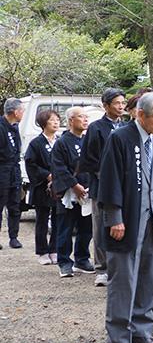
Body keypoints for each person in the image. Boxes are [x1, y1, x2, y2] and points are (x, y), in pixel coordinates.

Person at [100, 92, 153, 343]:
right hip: (127, 219)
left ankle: (142, 330)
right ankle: (118, 339)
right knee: (123, 280)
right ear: (140, 114)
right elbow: (110, 179)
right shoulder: (120, 138)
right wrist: (114, 216)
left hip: (152, 218)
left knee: (147, 277)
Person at [80, 88, 126, 286]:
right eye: (116, 103)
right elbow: (88, 158)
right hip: (101, 184)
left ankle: (120, 265)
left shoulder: (126, 126)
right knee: (100, 226)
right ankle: (102, 267)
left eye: (122, 102)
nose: (121, 106)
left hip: (124, 185)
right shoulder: (96, 127)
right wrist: (106, 176)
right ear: (105, 106)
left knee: (121, 224)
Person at [51, 107, 95, 278]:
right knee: (65, 228)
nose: (85, 120)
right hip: (69, 191)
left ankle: (82, 259)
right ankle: (64, 261)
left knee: (86, 227)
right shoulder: (62, 142)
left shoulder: (88, 140)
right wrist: (74, 185)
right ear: (70, 120)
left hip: (87, 190)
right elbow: (59, 168)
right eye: (81, 117)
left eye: (86, 117)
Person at [25, 109, 60, 264]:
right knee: (42, 219)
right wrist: (47, 175)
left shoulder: (59, 140)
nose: (56, 122)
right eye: (52, 120)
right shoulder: (36, 143)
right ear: (44, 123)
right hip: (42, 186)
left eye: (57, 120)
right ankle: (42, 251)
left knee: (59, 218)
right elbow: (30, 163)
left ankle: (54, 249)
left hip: (58, 186)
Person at [0, 98, 25, 249]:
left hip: (14, 171)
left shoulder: (14, 127)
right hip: (2, 170)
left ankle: (13, 237)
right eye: (22, 111)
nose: (22, 114)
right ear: (16, 112)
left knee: (15, 206)